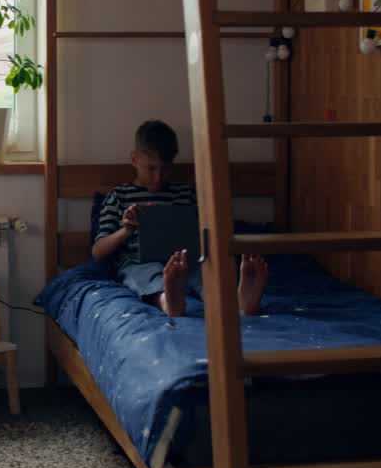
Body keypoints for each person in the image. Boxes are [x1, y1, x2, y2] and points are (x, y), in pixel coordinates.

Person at [91, 119, 267, 318]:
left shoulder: (184, 194)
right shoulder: (119, 196)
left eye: (165, 169)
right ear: (135, 159)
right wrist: (126, 230)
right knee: (147, 277)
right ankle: (169, 300)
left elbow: (207, 233)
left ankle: (239, 302)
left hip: (187, 260)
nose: (158, 177)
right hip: (140, 263)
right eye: (151, 168)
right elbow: (98, 252)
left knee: (205, 273)